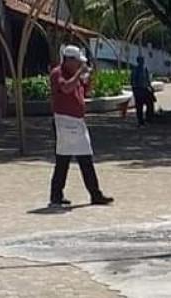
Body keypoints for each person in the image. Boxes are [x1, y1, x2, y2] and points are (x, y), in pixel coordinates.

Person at [48, 45, 113, 208]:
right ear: (69, 60)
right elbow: (66, 88)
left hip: (77, 121)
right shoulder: (58, 73)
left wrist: (90, 77)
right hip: (64, 121)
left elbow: (85, 91)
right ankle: (57, 194)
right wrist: (79, 74)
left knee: (85, 158)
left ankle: (94, 193)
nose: (79, 65)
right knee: (64, 159)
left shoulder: (74, 75)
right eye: (77, 62)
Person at [130, 56, 154, 127]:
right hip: (138, 89)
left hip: (145, 89)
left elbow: (148, 80)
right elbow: (133, 80)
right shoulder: (135, 70)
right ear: (138, 61)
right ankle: (140, 121)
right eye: (141, 60)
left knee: (150, 104)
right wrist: (135, 89)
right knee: (139, 106)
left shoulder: (145, 69)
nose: (142, 62)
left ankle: (148, 118)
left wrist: (150, 87)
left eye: (143, 60)